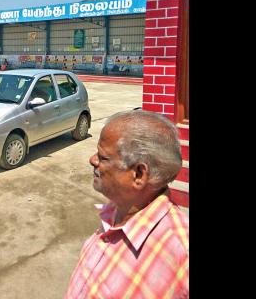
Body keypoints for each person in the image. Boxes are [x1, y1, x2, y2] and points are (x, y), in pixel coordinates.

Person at [65, 110, 188, 299]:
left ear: (138, 174)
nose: (92, 160)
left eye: (103, 157)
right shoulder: (117, 209)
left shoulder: (181, 255)